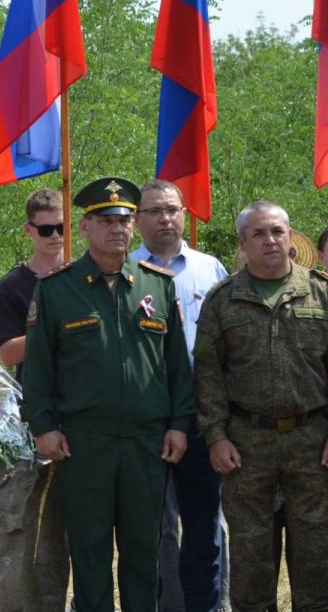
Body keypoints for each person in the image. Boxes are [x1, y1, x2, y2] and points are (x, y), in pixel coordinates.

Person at [22, 177, 194, 611]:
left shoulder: (157, 284)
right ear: (84, 227)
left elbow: (176, 365)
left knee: (143, 552)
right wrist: (43, 426)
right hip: (85, 442)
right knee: (90, 550)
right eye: (105, 220)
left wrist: (179, 424)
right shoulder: (58, 288)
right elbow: (38, 367)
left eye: (124, 219)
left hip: (146, 442)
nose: (117, 228)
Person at [195, 201, 328, 612]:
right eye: (259, 234)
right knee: (252, 557)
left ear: (291, 239)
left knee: (317, 554)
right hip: (246, 446)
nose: (270, 240)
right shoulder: (222, 300)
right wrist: (215, 436)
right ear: (243, 243)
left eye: (277, 232)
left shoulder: (321, 292)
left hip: (313, 443)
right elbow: (208, 373)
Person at [129, 179, 230, 612]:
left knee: (205, 523)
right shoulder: (123, 269)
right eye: (153, 211)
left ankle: (205, 605)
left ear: (184, 214)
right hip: (145, 418)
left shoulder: (212, 269)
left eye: (172, 209)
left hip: (202, 416)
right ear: (136, 221)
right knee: (150, 527)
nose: (165, 218)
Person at [0, 188, 69, 612]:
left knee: (76, 523)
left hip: (84, 407)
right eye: (46, 229)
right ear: (29, 230)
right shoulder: (14, 284)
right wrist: (53, 328)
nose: (56, 236)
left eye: (62, 226)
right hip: (34, 411)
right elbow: (6, 352)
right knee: (35, 519)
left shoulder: (84, 273)